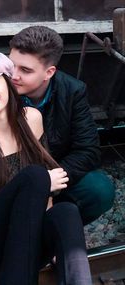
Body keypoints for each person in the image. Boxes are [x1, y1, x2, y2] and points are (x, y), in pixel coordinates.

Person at [0, 50, 93, 285]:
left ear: (8, 82)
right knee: (36, 176)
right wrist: (40, 184)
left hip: (21, 241)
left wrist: (55, 239)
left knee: (66, 212)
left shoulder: (32, 118)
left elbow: (43, 194)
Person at [9, 25, 115, 225]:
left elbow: (88, 150)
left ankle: (57, 227)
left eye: (25, 70)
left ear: (48, 72)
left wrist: (52, 179)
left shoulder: (72, 91)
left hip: (54, 172)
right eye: (11, 65)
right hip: (11, 176)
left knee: (99, 190)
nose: (13, 75)